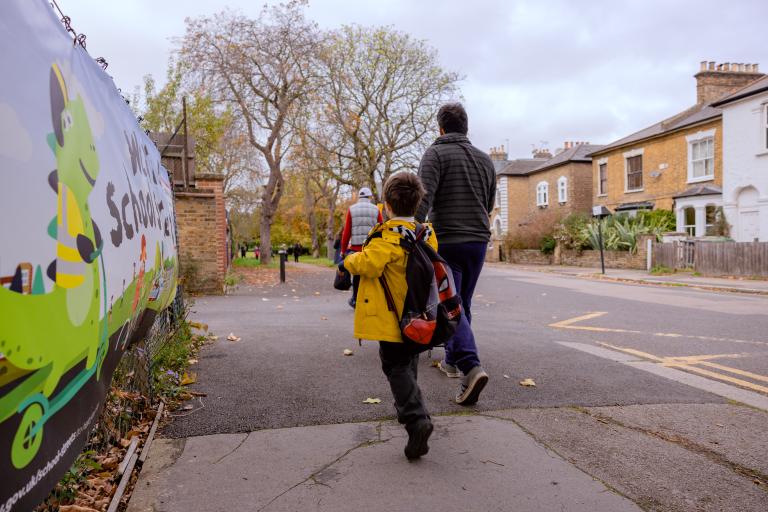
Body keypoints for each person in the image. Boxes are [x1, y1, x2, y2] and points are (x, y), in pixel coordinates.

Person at [340, 172, 436, 460]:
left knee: (394, 365)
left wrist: (347, 259)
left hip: (392, 316)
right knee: (409, 361)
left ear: (387, 206)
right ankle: (411, 408)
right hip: (419, 314)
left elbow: (366, 264)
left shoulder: (386, 237)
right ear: (418, 203)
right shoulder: (427, 234)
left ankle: (416, 418)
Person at [415, 102, 494, 406]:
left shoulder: (435, 154)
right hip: (477, 241)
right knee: (462, 302)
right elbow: (488, 204)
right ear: (466, 127)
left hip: (447, 239)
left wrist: (409, 230)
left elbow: (423, 200)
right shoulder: (486, 160)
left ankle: (471, 366)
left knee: (448, 305)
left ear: (441, 127)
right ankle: (452, 361)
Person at [340, 187, 383, 308]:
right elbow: (381, 229)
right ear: (370, 197)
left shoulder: (352, 209)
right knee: (371, 273)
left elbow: (346, 232)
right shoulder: (375, 209)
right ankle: (371, 300)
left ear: (359, 197)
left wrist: (343, 251)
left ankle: (355, 300)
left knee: (357, 276)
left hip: (356, 249)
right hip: (371, 248)